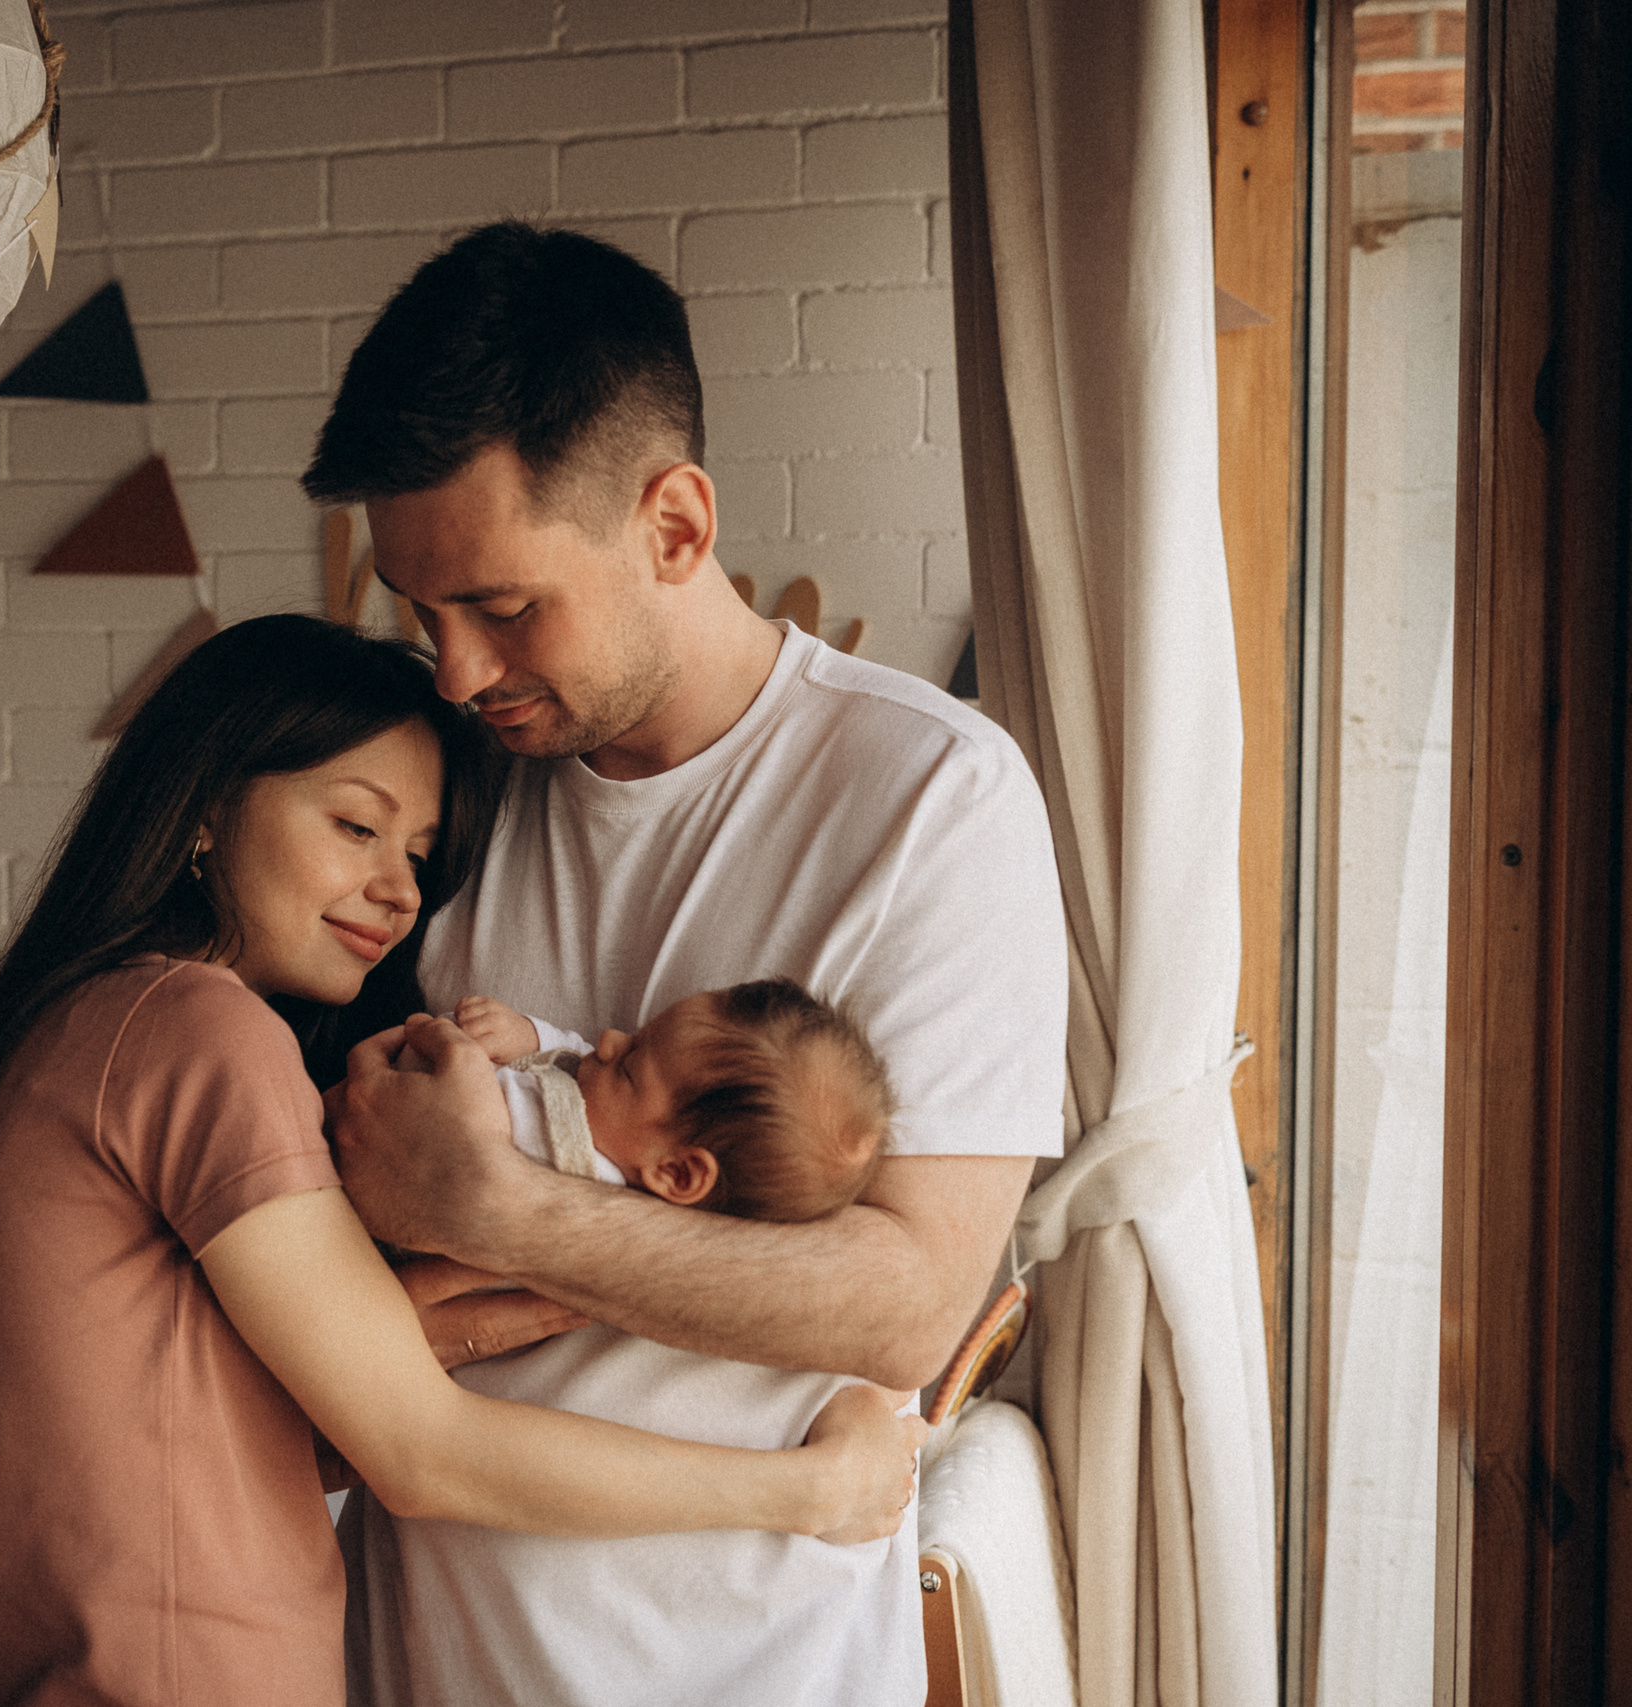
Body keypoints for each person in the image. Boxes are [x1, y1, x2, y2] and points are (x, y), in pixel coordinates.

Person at [0, 614, 927, 1706]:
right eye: (355, 827)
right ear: (202, 809)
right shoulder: (195, 1031)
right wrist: (807, 1490)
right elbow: (424, 1458)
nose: (399, 891)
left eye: (420, 856)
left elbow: (183, 1447)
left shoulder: (77, 1022)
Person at [304, 224, 1071, 1704]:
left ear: (672, 524)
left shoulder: (930, 800)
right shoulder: (441, 789)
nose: (456, 670)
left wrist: (497, 1206)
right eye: (420, 609)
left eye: (506, 605)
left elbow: (904, 1300)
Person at [450, 980, 891, 1220]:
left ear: (675, 1171)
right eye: (636, 1037)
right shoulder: (614, 1121)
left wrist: (461, 1068)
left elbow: (468, 1137)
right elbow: (574, 1058)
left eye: (628, 1068)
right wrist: (529, 1036)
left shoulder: (575, 1181)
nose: (608, 1041)